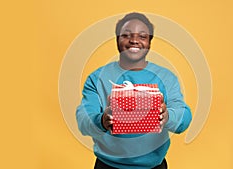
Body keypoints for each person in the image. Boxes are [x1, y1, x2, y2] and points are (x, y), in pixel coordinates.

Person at [76, 12, 192, 169]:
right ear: (117, 39)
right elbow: (83, 119)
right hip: (107, 165)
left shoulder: (165, 77)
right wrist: (102, 120)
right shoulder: (97, 78)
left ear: (150, 42)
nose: (134, 40)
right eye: (126, 35)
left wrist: (167, 116)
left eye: (142, 36)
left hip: (153, 166)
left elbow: (183, 117)